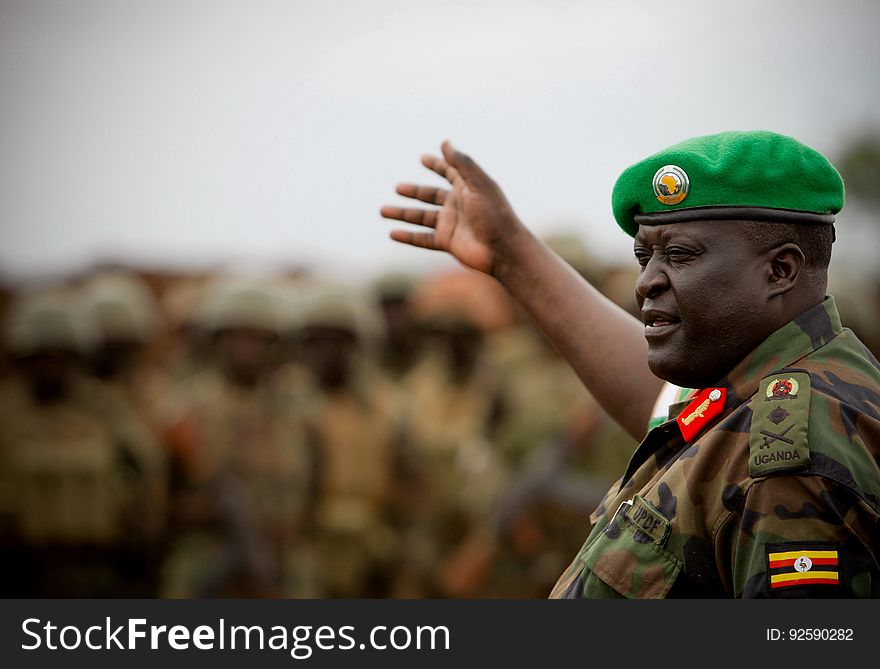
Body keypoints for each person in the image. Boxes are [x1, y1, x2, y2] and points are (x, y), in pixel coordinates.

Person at [381, 130, 880, 598]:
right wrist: (510, 252)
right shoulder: (781, 387)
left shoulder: (793, 463)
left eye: (680, 256)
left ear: (780, 269)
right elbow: (668, 408)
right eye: (645, 258)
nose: (646, 283)